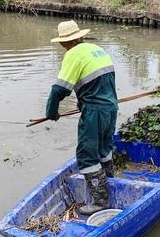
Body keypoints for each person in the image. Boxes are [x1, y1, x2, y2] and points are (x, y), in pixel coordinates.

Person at [46, 20, 118, 215]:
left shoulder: (73, 54)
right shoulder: (97, 50)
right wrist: (82, 102)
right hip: (111, 108)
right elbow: (98, 84)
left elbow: (59, 90)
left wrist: (51, 112)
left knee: (86, 155)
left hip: (95, 112)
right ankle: (109, 180)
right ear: (80, 36)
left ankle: (100, 201)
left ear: (63, 42)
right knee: (104, 148)